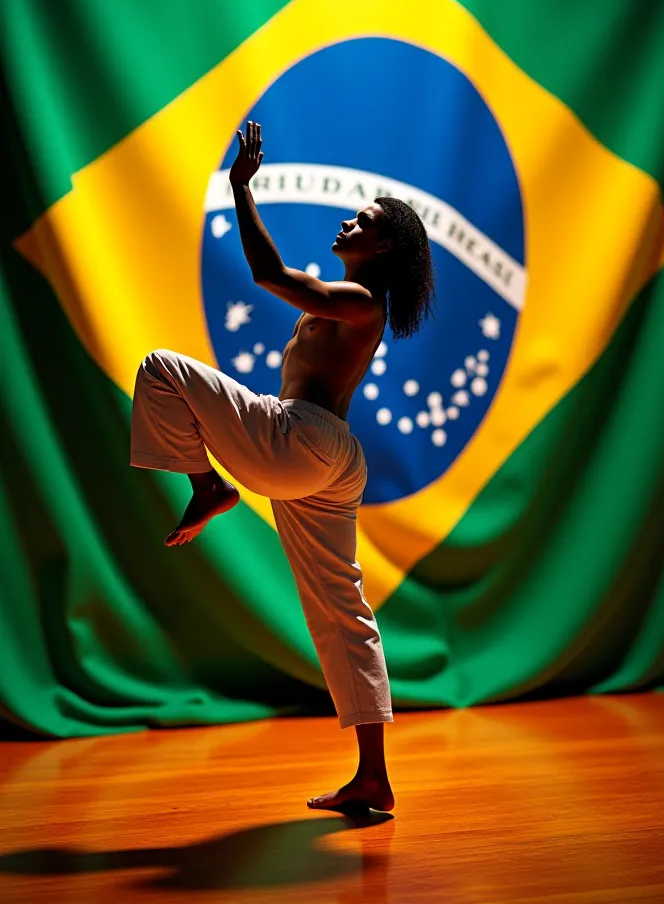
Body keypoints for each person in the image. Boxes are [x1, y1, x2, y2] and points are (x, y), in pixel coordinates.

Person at [130, 121, 435, 813]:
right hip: (327, 460)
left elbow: (268, 275)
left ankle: (209, 485)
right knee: (341, 611)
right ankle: (373, 777)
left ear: (382, 245)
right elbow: (286, 283)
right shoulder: (353, 300)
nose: (347, 221)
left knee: (160, 369)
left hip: (306, 444)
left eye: (362, 220)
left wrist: (241, 189)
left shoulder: (360, 302)